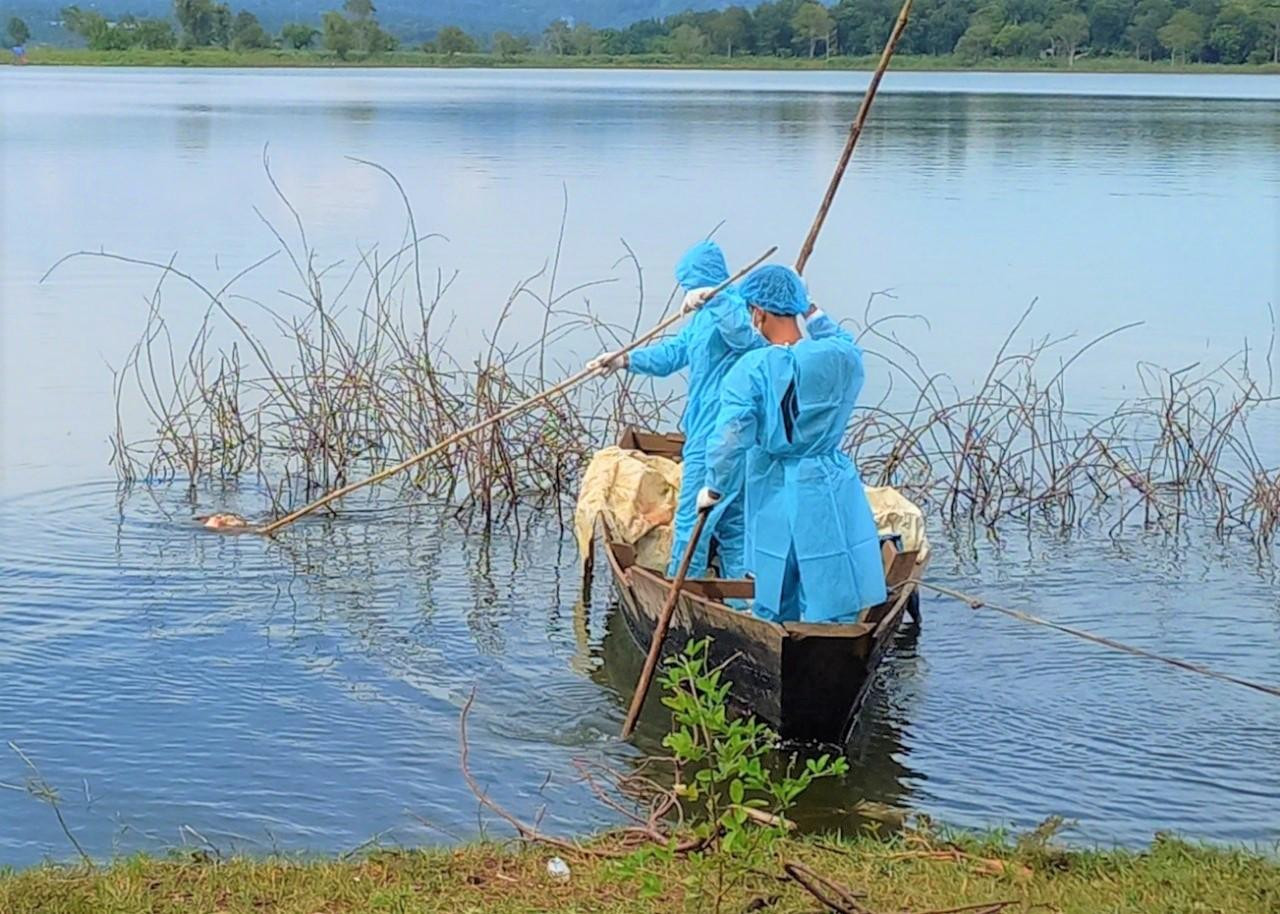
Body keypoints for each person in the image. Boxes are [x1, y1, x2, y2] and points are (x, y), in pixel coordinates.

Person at [698, 264, 886, 623]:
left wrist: (715, 487)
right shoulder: (841, 358)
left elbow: (731, 437)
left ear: (757, 313)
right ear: (797, 305)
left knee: (776, 571)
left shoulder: (752, 368)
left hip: (775, 483)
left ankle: (776, 633)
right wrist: (812, 311)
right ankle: (833, 638)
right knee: (830, 567)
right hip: (828, 481)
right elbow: (844, 341)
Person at [588, 241, 759, 578]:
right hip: (705, 426)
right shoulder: (700, 319)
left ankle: (688, 582)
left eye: (690, 283)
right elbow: (672, 354)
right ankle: (729, 591)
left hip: (723, 430)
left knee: (701, 516)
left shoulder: (734, 309)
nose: (688, 290)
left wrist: (717, 296)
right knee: (725, 516)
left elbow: (743, 338)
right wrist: (625, 360)